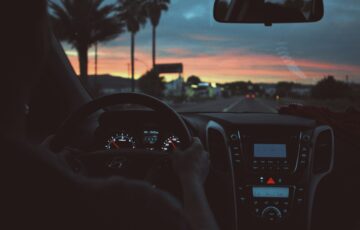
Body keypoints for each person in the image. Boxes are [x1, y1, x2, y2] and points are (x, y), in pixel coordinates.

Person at [0, 1, 219, 230]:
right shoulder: (137, 206)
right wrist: (191, 179)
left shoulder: (24, 188)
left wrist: (45, 161)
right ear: (38, 50)